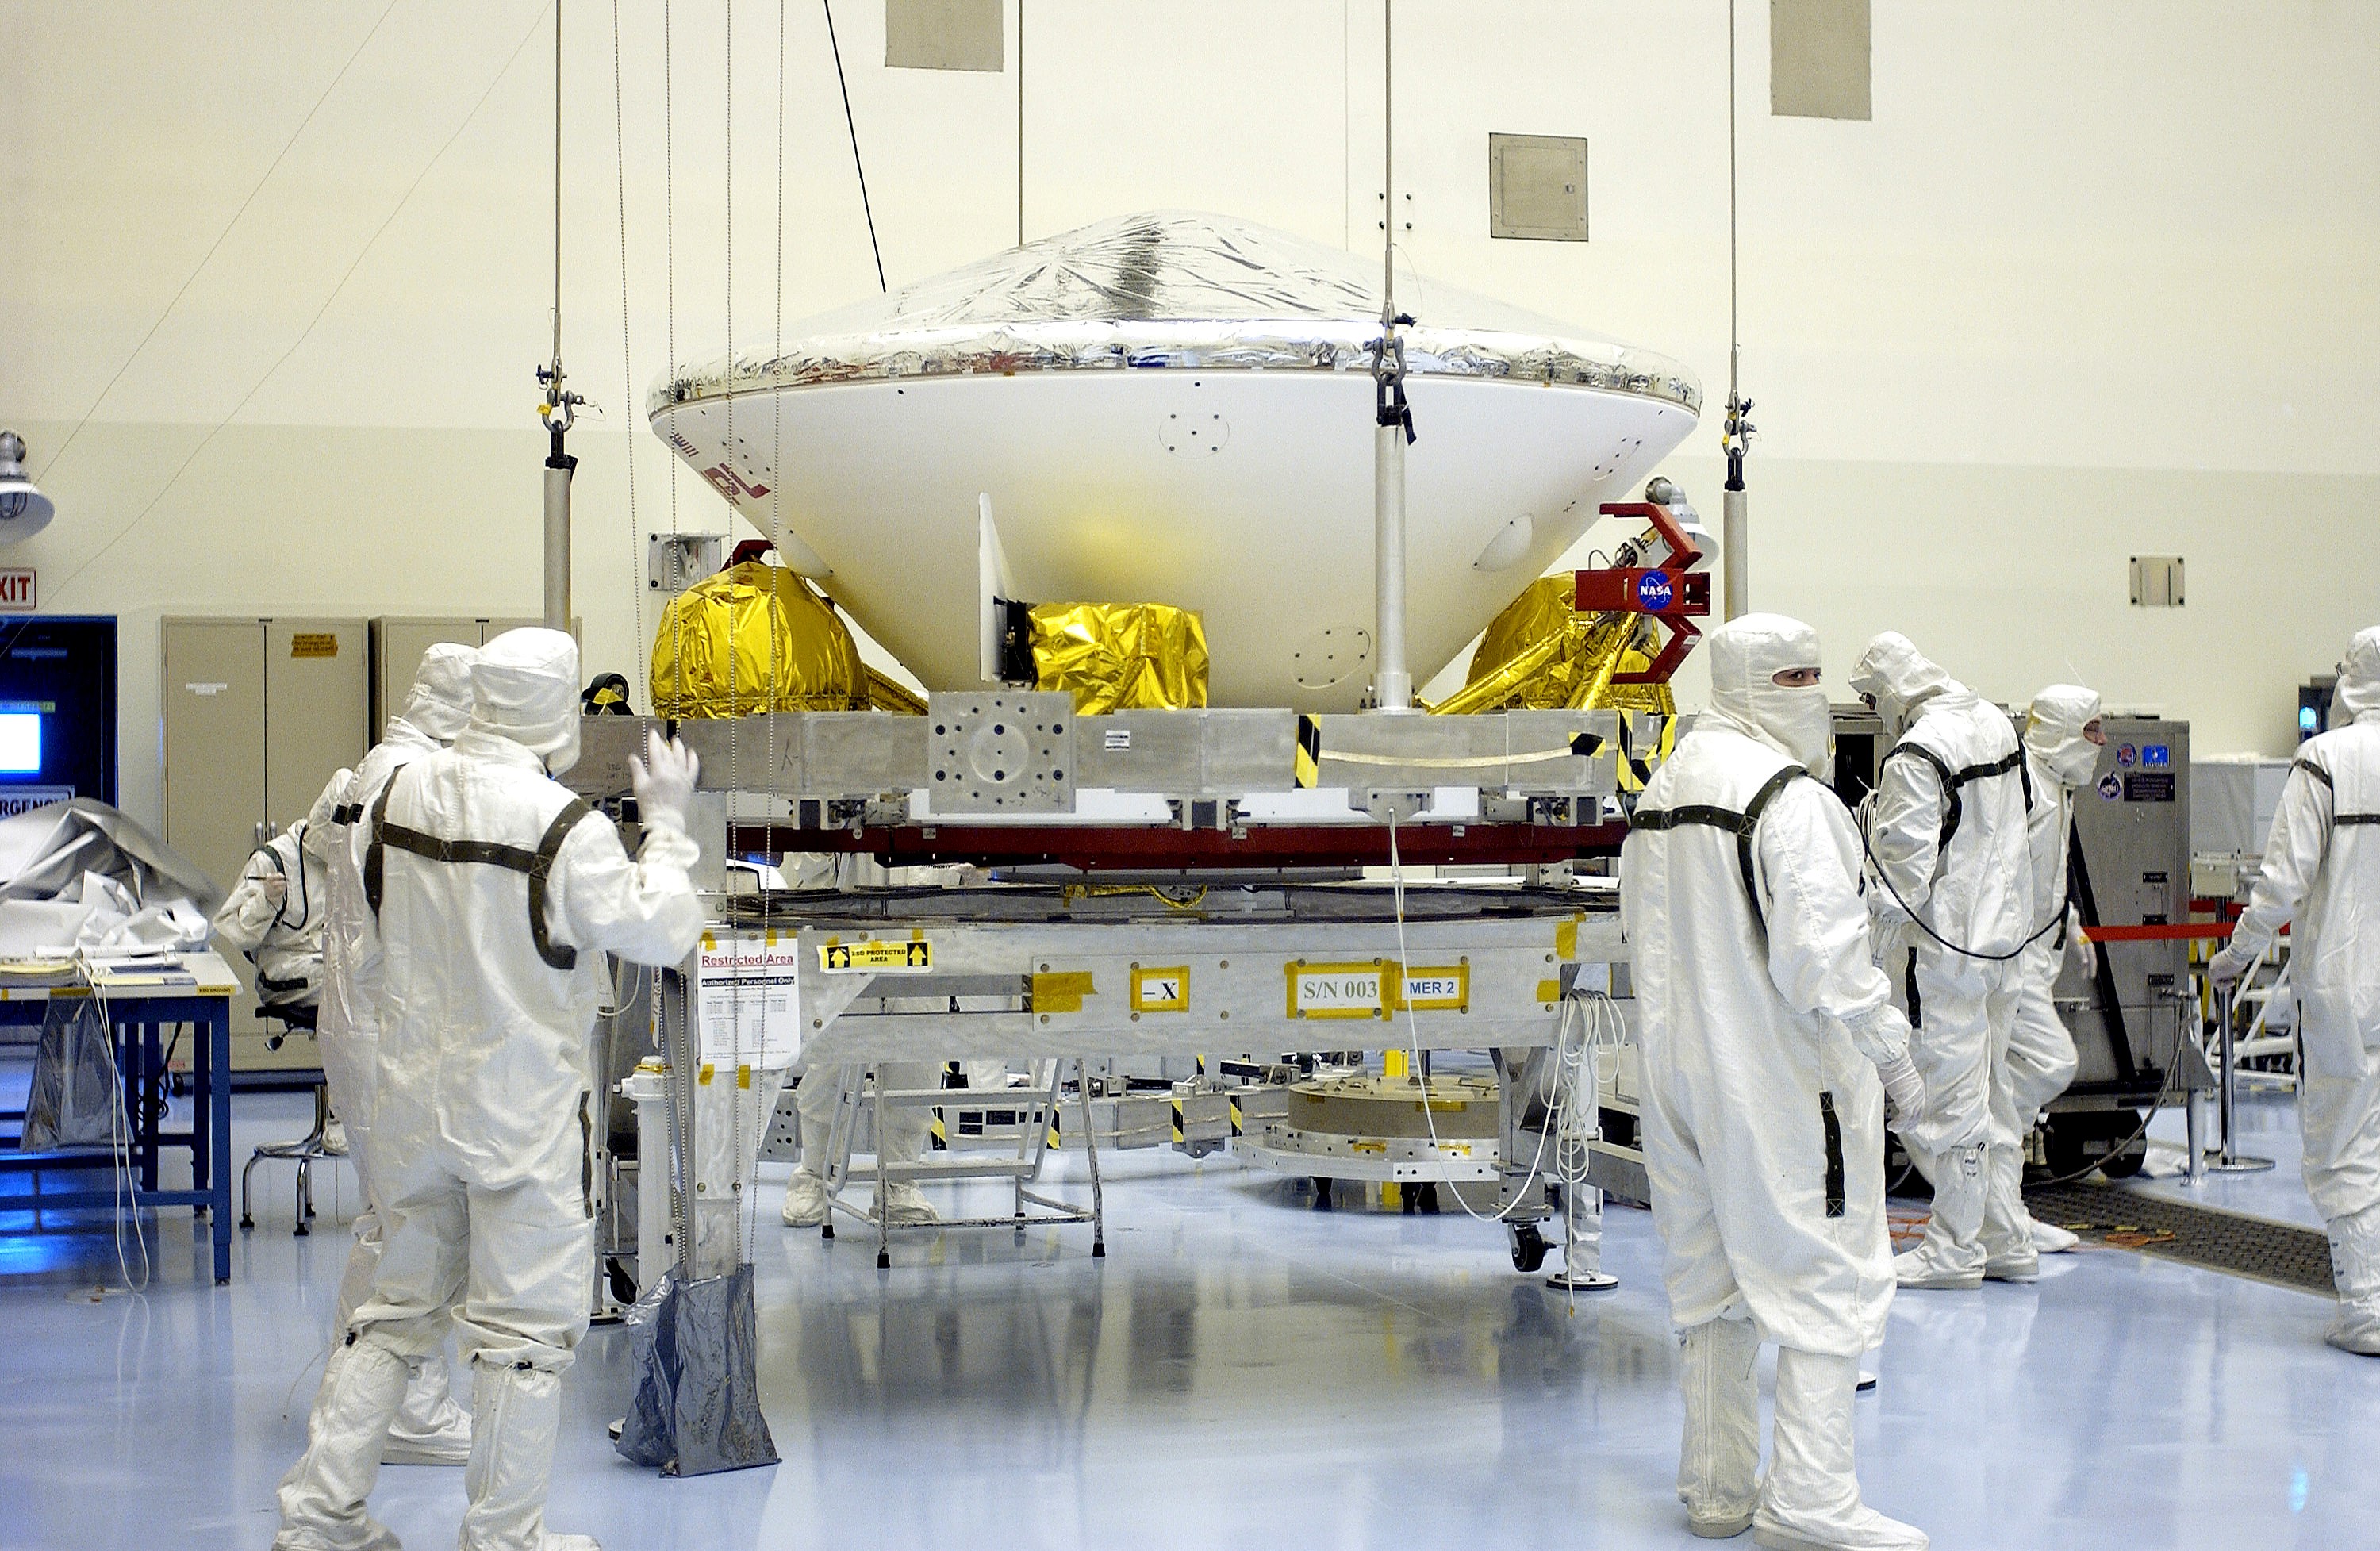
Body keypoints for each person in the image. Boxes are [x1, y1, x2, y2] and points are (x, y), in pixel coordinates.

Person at [273, 628, 708, 1551]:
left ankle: (319, 1516)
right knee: (521, 1332)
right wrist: (668, 819)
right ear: (556, 712)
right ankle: (503, 1535)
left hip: (408, 1099)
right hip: (518, 1111)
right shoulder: (562, 824)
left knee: (391, 1311)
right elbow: (664, 927)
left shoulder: (388, 790)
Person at [1622, 613, 1929, 1551]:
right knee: (1825, 1273)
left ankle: (1717, 1489)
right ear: (1756, 685)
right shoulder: (1789, 799)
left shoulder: (1665, 788)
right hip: (1783, 1082)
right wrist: (1897, 1059)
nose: (1811, 698)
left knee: (1708, 1280)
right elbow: (1826, 965)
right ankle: (1810, 1498)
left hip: (1675, 1078)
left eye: (1814, 676)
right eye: (1794, 678)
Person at [301, 643, 481, 1466]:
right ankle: (399, 1407)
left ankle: (361, 1389)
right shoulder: (418, 782)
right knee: (412, 1219)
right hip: (386, 1026)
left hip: (360, 1016)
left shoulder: (378, 766)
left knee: (390, 1213)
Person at [2210, 627, 2380, 1357]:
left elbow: (2283, 879)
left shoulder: (2326, 759)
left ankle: (2369, 1307)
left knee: (2345, 1141)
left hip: (2347, 983)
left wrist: (2237, 953)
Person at [1850, 632, 2037, 1291]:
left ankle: (1955, 1248)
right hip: (2007, 947)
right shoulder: (1996, 724)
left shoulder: (1916, 754)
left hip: (1947, 955)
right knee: (1997, 1095)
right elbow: (2027, 816)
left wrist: (1865, 956)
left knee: (1953, 1102)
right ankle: (2005, 1232)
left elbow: (1904, 879)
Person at [2004, 685, 2106, 1255]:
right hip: (2008, 961)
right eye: (2091, 730)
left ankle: (2007, 1210)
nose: (2102, 742)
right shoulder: (2023, 786)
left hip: (2039, 956)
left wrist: (2068, 923)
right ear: (2064, 731)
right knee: (2052, 1061)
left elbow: (2044, 874)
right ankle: (1984, 1130)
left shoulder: (2057, 788)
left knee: (2027, 1078)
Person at [212, 781, 340, 1019]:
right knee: (346, 983)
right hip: (282, 968)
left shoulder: (339, 861)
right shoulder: (276, 858)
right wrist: (266, 901)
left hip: (325, 958)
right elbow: (232, 927)